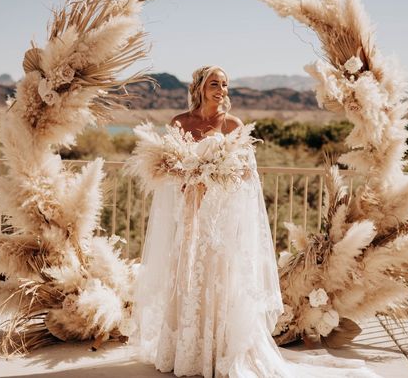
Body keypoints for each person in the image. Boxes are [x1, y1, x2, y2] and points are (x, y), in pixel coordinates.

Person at [131, 66, 378, 377]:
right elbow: (167, 168)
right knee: (186, 276)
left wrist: (218, 174)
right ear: (199, 88)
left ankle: (217, 349)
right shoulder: (180, 123)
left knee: (218, 277)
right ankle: (186, 349)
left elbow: (248, 177)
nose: (220, 89)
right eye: (213, 84)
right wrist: (189, 175)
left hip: (219, 218)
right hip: (188, 214)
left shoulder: (233, 125)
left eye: (224, 84)